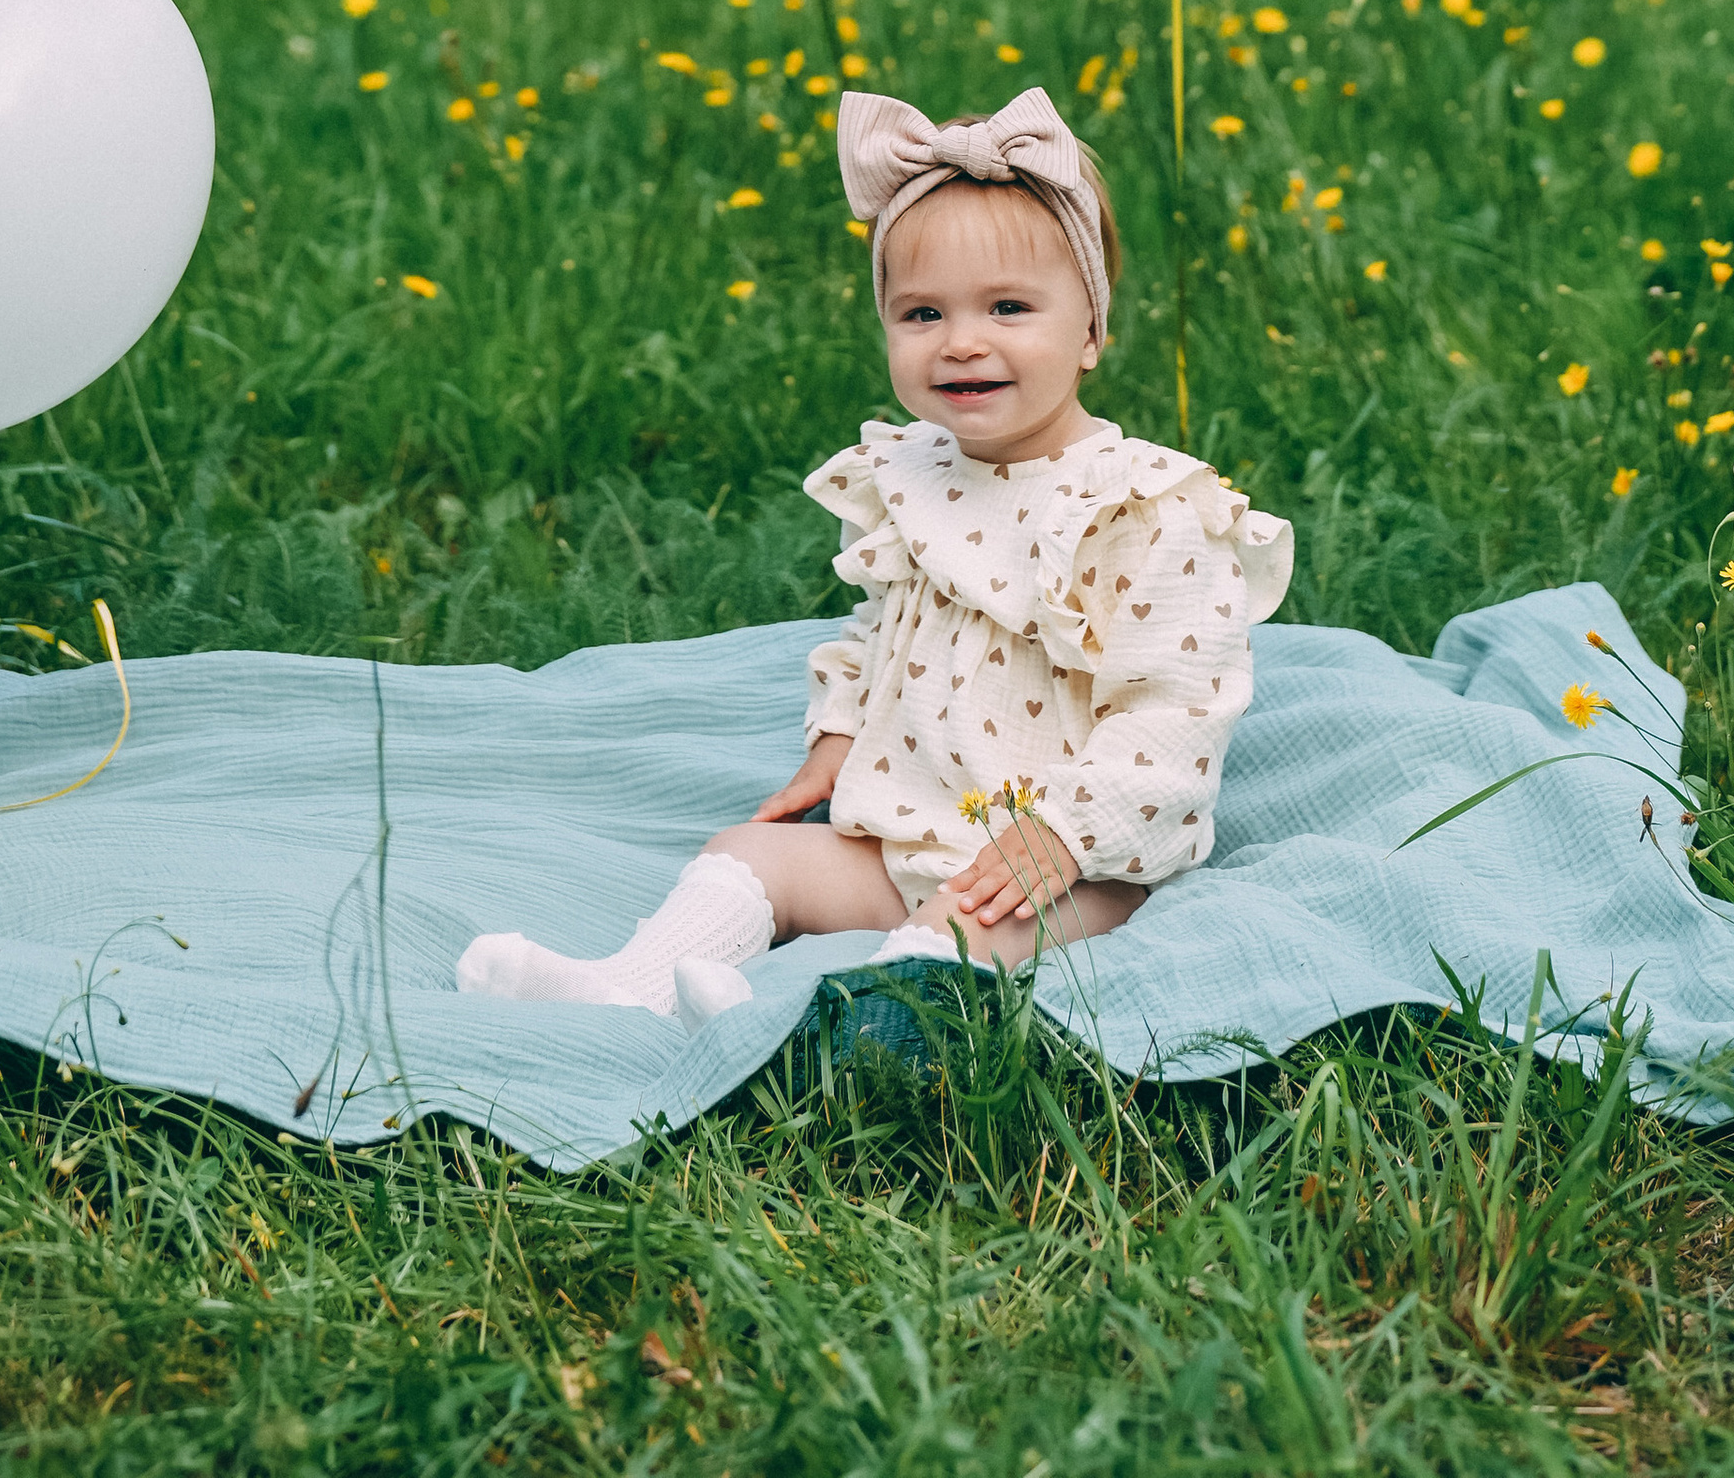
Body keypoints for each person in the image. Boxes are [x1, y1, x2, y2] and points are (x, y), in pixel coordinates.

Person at [457, 82, 1292, 1021]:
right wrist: (838, 741)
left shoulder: (1141, 506)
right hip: (903, 831)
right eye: (922, 314)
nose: (962, 343)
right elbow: (886, 629)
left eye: (1009, 308)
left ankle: (855, 1024)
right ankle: (633, 987)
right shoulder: (914, 473)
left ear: (1092, 331)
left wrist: (1069, 833)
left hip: (1060, 868)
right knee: (747, 853)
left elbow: (1174, 709)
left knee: (959, 927)